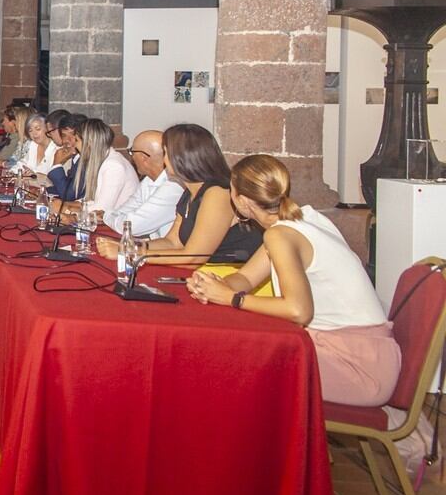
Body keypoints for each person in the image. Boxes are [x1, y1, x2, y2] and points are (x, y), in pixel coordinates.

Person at [187, 155, 400, 408]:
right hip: (366, 353)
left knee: (231, 366)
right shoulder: (303, 218)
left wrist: (232, 298)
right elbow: (245, 277)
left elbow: (299, 311)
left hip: (356, 365)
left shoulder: (281, 234)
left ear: (242, 201)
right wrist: (214, 286)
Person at [107, 123, 263, 266]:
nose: (163, 161)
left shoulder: (217, 193)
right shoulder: (189, 191)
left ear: (182, 158)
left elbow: (194, 258)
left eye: (166, 154)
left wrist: (132, 253)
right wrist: (129, 246)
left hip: (232, 273)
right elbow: (172, 242)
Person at [103, 130, 183, 238]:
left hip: (166, 251)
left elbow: (131, 226)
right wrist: (114, 216)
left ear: (143, 158)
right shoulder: (148, 181)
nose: (132, 158)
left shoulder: (173, 187)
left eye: (132, 152)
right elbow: (124, 210)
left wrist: (106, 216)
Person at [54, 118, 137, 221]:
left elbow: (102, 209)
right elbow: (92, 200)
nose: (74, 145)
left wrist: (66, 210)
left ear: (89, 143)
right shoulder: (103, 160)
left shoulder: (113, 166)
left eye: (77, 140)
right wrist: (65, 204)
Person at [43, 114, 86, 200]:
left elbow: (69, 195)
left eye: (73, 135)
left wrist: (56, 164)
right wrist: (43, 192)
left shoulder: (86, 160)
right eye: (64, 135)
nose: (67, 140)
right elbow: (66, 187)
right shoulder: (76, 158)